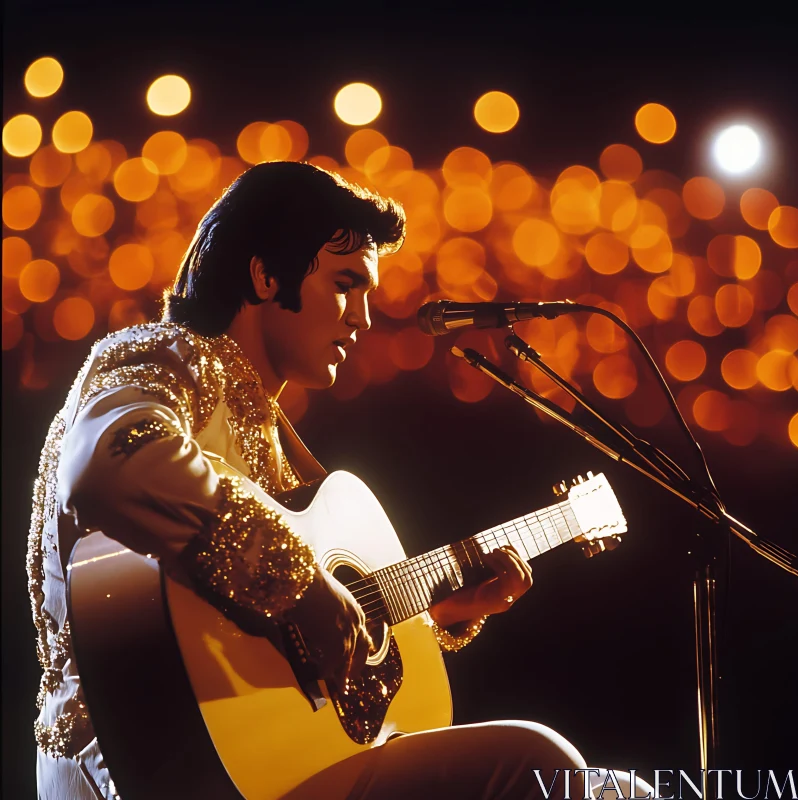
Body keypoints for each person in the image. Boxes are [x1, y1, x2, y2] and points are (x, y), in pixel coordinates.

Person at [29, 161, 655, 799]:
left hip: (243, 765)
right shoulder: (166, 359)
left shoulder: (269, 430)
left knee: (623, 793)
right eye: (345, 284)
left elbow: (278, 637)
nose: (362, 320)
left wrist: (431, 614)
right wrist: (300, 585)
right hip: (137, 769)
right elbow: (110, 461)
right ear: (265, 274)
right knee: (537, 765)